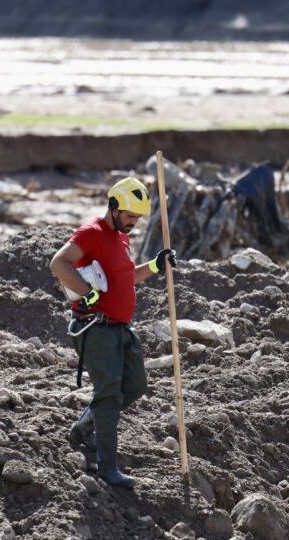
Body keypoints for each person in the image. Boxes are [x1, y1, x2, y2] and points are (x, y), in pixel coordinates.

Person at [50, 176, 176, 488]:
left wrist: (156, 266)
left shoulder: (121, 238)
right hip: (98, 329)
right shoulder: (92, 233)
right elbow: (58, 263)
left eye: (139, 217)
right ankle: (107, 467)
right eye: (131, 215)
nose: (134, 222)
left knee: (135, 386)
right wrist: (86, 293)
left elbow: (126, 278)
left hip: (121, 328)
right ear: (114, 207)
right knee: (107, 396)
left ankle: (83, 427)